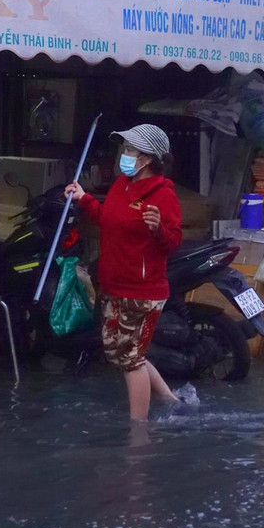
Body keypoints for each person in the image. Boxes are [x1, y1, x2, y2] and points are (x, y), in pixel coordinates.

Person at [65, 124, 183, 421]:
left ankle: (138, 429)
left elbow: (173, 241)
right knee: (121, 355)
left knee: (130, 359)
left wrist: (158, 229)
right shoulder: (122, 185)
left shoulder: (162, 194)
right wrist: (84, 198)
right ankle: (169, 399)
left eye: (131, 150)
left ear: (147, 159)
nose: (124, 155)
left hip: (142, 291)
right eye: (125, 149)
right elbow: (107, 218)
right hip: (113, 284)